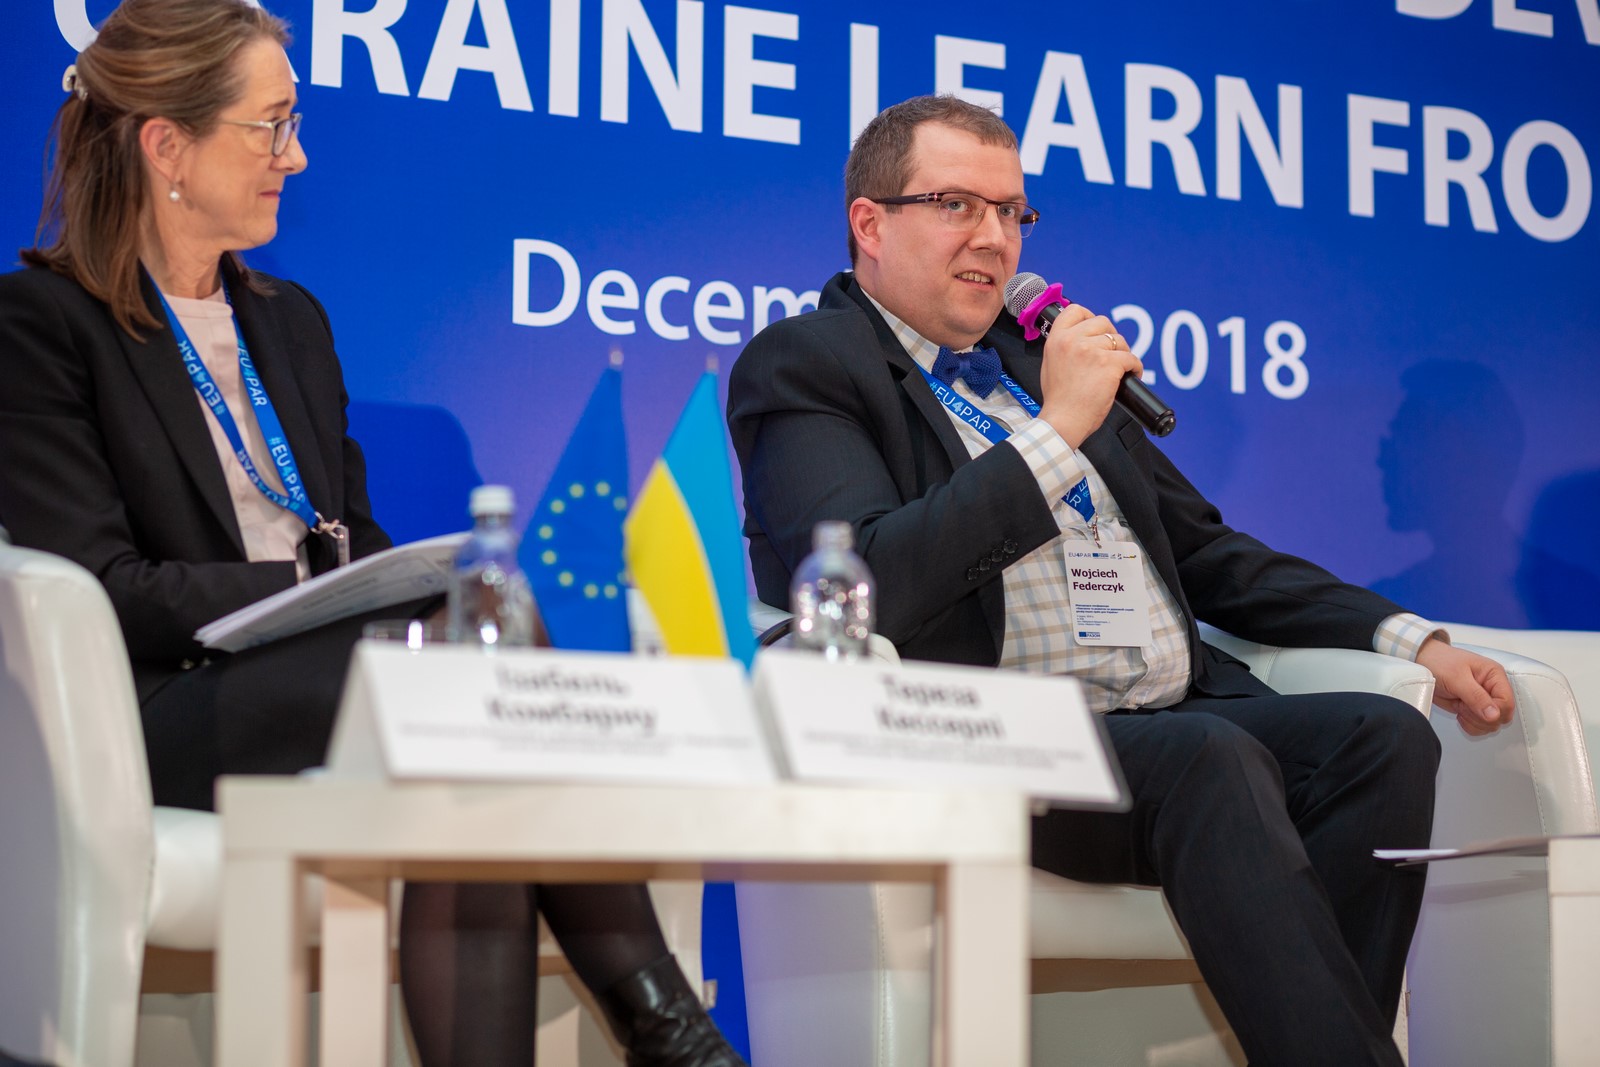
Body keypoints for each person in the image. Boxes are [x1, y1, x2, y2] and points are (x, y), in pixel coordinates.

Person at [0, 2, 744, 1064]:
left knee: (473, 738)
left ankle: (668, 1030)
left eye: (292, 123)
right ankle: (672, 1028)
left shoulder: (290, 322)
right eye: (270, 126)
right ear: (166, 145)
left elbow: (350, 535)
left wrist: (385, 580)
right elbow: (101, 587)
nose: (295, 156)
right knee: (461, 689)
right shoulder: (40, 324)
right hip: (159, 709)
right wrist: (301, 587)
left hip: (338, 679)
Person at [727, 94, 1517, 1066]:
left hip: (1157, 724)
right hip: (991, 738)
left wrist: (1408, 638)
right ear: (870, 223)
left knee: (1381, 738)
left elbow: (1208, 553)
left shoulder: (1037, 362)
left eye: (1012, 211)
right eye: (956, 204)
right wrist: (1056, 430)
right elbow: (869, 578)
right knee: (1208, 757)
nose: (994, 237)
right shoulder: (807, 363)